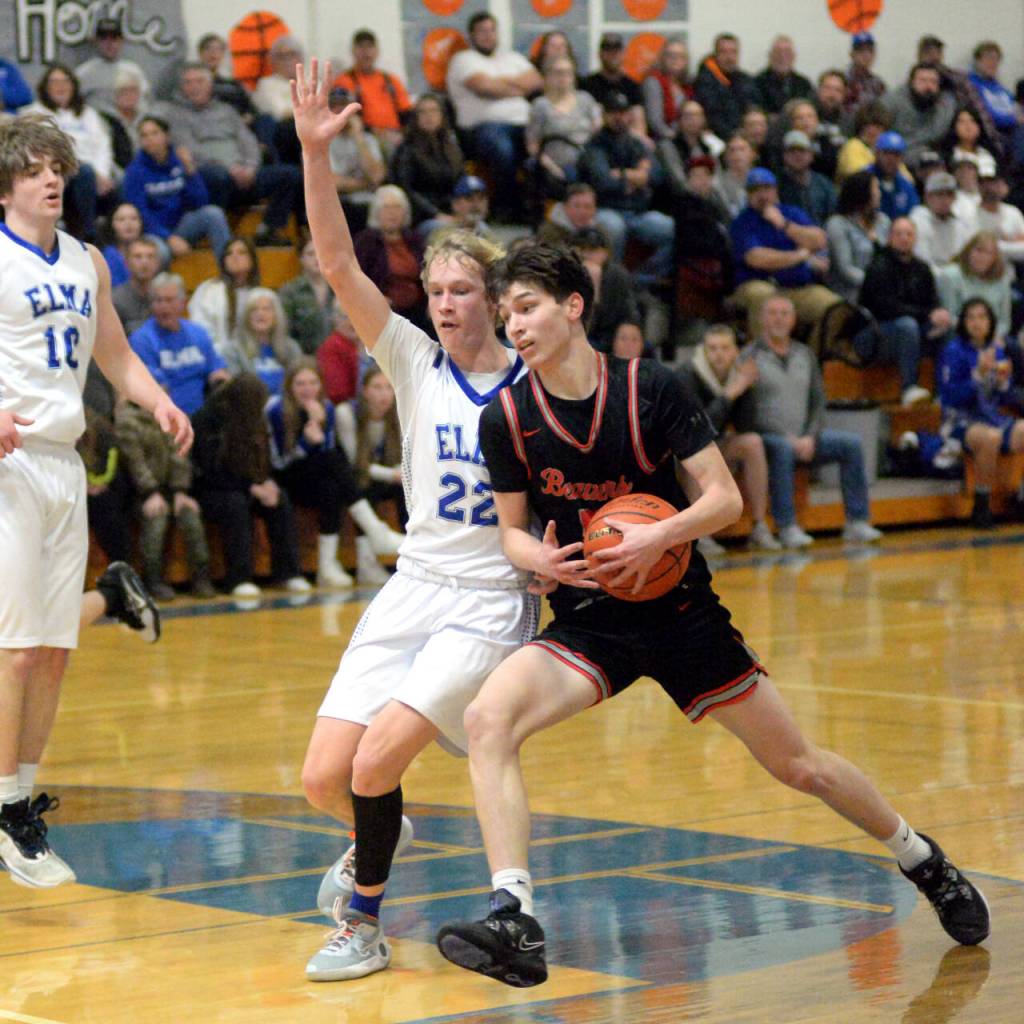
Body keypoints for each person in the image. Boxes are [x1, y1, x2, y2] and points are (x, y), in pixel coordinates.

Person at [433, 241, 988, 986]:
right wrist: (536, 559)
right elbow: (508, 529)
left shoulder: (650, 388)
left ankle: (920, 856)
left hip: (681, 611)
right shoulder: (506, 416)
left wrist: (655, 536)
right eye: (506, 317)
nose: (515, 327)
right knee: (486, 720)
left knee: (800, 766)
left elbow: (723, 499)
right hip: (593, 619)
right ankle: (514, 915)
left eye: (527, 308)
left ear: (573, 307)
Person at [291, 61, 535, 983]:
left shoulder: (531, 379)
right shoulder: (414, 359)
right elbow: (337, 262)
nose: (443, 303)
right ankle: (374, 828)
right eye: (434, 290)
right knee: (329, 777)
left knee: (380, 756)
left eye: (462, 290)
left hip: (486, 600)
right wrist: (318, 155)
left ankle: (364, 926)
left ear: (495, 299)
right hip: (415, 586)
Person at [0, 112, 191, 888]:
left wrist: (157, 399)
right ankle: (5, 804)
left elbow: (113, 352)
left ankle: (21, 800)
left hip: (64, 463)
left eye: (60, 169)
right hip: (9, 464)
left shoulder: (86, 260)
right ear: (10, 181)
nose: (53, 180)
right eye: (38, 169)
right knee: (14, 648)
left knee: (51, 648)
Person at [745, 295, 882, 548]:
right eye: (773, 313)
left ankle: (857, 521)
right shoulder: (749, 356)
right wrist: (786, 437)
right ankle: (786, 526)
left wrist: (809, 435)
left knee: (850, 444)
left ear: (794, 319)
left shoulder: (805, 354)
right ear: (762, 318)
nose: (779, 319)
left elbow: (818, 402)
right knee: (784, 449)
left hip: (805, 437)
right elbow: (744, 411)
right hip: (769, 438)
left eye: (785, 313)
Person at [267, 358, 401, 588]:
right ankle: (374, 530)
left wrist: (317, 430)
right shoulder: (277, 410)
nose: (307, 389)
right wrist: (306, 444)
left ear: (320, 385)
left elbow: (325, 452)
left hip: (317, 475)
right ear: (289, 386)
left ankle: (326, 568)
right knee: (335, 459)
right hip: (286, 477)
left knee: (332, 488)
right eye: (300, 384)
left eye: (312, 383)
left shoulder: (326, 407)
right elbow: (278, 462)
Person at [191, 373, 310, 597]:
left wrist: (267, 482)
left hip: (247, 484)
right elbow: (208, 472)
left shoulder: (255, 418)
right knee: (235, 505)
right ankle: (238, 578)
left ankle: (289, 573)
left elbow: (262, 458)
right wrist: (249, 487)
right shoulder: (207, 421)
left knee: (280, 499)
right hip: (212, 490)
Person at [167, 63, 303, 247]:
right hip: (210, 177)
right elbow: (189, 150)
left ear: (210, 85)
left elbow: (248, 142)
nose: (194, 87)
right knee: (216, 176)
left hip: (244, 174)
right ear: (182, 88)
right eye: (188, 82)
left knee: (290, 174)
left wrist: (250, 167)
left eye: (199, 81)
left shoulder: (227, 110)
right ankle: (220, 238)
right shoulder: (176, 116)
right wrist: (230, 168)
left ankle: (269, 230)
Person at [826, 173, 930, 406]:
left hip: (888, 298)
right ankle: (908, 387)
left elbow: (893, 260)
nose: (880, 194)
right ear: (862, 193)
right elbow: (844, 269)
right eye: (876, 190)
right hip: (854, 302)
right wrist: (877, 282)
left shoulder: (883, 222)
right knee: (906, 323)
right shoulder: (838, 224)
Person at [677, 324, 780, 550]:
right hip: (684, 447)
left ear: (735, 351)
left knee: (753, 443)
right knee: (696, 451)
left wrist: (744, 389)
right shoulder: (688, 374)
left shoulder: (740, 374)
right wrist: (730, 393)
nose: (719, 354)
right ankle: (699, 534)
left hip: (716, 443)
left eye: (725, 348)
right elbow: (698, 428)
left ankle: (759, 526)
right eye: (712, 348)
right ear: (704, 351)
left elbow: (747, 426)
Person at [729, 167, 841, 353]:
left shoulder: (791, 213)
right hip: (756, 284)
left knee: (835, 308)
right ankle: (766, 361)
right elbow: (757, 258)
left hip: (797, 287)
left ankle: (810, 361)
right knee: (765, 297)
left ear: (775, 191)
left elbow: (819, 240)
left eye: (766, 189)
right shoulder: (742, 222)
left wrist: (784, 225)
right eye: (756, 190)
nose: (762, 194)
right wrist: (800, 255)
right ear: (748, 194)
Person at [445, 12, 542, 223]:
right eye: (482, 31)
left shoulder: (513, 58)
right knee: (501, 148)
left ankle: (540, 210)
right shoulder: (463, 59)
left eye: (491, 30)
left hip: (525, 125)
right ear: (472, 35)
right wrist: (518, 86)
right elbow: (484, 87)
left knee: (548, 148)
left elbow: (535, 81)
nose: (488, 36)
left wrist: (500, 85)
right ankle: (508, 208)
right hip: (482, 129)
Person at [114, 398, 213, 600]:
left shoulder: (169, 417)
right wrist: (150, 492)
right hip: (139, 492)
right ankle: (154, 580)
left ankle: (201, 577)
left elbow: (179, 454)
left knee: (190, 517)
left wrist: (180, 490)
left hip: (170, 489)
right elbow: (135, 462)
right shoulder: (127, 422)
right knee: (157, 520)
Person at [938, 297, 1024, 528]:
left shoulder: (996, 350)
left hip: (990, 416)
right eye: (971, 317)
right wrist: (977, 375)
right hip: (959, 420)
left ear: (991, 322)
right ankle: (981, 504)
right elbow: (950, 397)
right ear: (963, 322)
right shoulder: (953, 351)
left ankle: (1019, 495)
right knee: (990, 438)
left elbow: (1003, 398)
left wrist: (1004, 382)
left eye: (982, 317)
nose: (976, 323)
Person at [578, 92, 675, 285]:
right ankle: (611, 283)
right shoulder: (595, 146)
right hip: (607, 208)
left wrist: (621, 175)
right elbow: (603, 181)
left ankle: (641, 278)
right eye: (613, 112)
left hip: (638, 211)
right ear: (604, 115)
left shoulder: (636, 143)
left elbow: (657, 176)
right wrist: (636, 175)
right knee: (613, 228)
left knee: (673, 229)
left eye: (623, 112)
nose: (619, 117)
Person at [25, 64, 117, 241]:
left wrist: (103, 174)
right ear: (45, 87)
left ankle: (113, 236)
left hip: (94, 171)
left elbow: (103, 145)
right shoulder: (34, 113)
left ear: (73, 86)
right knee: (85, 172)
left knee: (121, 181)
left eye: (65, 81)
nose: (60, 86)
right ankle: (88, 232)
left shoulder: (88, 114)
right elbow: (41, 150)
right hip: (57, 171)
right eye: (54, 82)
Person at [122, 115, 231, 262]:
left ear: (166, 136)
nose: (150, 139)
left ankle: (228, 271)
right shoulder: (134, 172)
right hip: (152, 233)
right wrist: (168, 237)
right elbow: (140, 214)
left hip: (181, 225)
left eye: (155, 133)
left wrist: (190, 171)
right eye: (144, 135)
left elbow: (200, 202)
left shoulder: (180, 161)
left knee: (213, 213)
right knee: (160, 252)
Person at [335, 366, 406, 583]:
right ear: (365, 391)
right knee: (365, 487)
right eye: (377, 387)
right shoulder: (346, 412)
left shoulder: (400, 413)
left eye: (388, 388)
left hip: (386, 474)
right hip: (352, 478)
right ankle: (368, 564)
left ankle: (413, 552)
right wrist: (394, 474)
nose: (384, 394)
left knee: (409, 489)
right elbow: (356, 464)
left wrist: (402, 474)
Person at [130, 273, 230, 416]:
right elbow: (155, 387)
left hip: (206, 415)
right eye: (158, 301)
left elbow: (216, 369)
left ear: (183, 302)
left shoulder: (198, 333)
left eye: (169, 300)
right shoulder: (142, 339)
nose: (164, 306)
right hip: (166, 415)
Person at [860, 217, 953, 359]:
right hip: (879, 329)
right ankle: (909, 381)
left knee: (947, 325)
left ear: (915, 239)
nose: (904, 238)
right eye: (899, 234)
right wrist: (927, 314)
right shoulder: (878, 267)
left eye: (909, 234)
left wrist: (938, 313)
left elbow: (932, 300)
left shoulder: (922, 268)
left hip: (917, 324)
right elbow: (888, 308)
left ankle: (946, 378)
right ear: (890, 238)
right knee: (907, 326)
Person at [389, 93, 465, 237]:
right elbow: (406, 190)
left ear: (442, 115)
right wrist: (436, 214)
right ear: (415, 117)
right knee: (446, 231)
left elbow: (461, 181)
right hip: (421, 217)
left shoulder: (452, 147)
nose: (428, 116)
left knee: (480, 228)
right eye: (422, 112)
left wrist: (463, 211)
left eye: (433, 111)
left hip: (451, 212)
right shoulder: (407, 149)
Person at [354, 186, 428, 332]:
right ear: (376, 212)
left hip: (417, 311)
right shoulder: (366, 242)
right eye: (387, 208)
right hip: (383, 311)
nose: (392, 213)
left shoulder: (415, 240)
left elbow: (427, 274)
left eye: (397, 207)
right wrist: (378, 300)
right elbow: (359, 278)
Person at [526, 56, 601, 198]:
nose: (563, 77)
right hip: (553, 164)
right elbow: (533, 144)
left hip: (586, 162)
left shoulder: (586, 100)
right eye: (558, 73)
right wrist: (551, 167)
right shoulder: (540, 105)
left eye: (568, 73)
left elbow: (597, 128)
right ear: (547, 76)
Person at [332, 29, 413, 159]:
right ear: (353, 51)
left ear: (377, 51)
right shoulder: (344, 81)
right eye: (361, 47)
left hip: (396, 134)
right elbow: (347, 119)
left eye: (370, 47)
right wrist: (379, 132)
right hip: (365, 136)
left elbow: (407, 114)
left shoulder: (391, 80)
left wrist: (405, 134)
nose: (366, 53)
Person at [187, 236, 260, 353]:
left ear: (252, 260)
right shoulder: (209, 290)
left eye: (242, 253)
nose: (235, 257)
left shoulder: (259, 294)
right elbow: (200, 330)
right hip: (216, 359)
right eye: (229, 254)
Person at [221, 288, 302, 393]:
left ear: (276, 315)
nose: (260, 314)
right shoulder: (232, 351)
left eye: (266, 309)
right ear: (246, 316)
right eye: (254, 310)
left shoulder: (291, 348)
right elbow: (237, 390)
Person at [328, 94, 386, 236]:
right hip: (340, 203)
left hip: (370, 200)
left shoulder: (368, 140)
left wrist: (358, 137)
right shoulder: (323, 141)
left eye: (344, 106)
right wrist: (366, 184)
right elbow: (332, 184)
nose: (340, 111)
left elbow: (377, 176)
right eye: (335, 107)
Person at [937, 232, 1013, 339]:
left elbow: (1004, 322)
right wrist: (977, 332)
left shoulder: (1002, 280)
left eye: (989, 253)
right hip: (959, 332)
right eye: (979, 250)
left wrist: (994, 336)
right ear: (968, 251)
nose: (983, 257)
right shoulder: (950, 275)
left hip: (992, 336)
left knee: (1012, 347)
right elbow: (948, 316)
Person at [74, 18, 151, 119]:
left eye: (114, 38)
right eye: (104, 38)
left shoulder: (133, 70)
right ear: (96, 41)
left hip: (128, 124)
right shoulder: (84, 72)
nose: (109, 43)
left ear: (122, 41)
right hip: (96, 126)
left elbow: (143, 103)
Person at [884, 64, 957, 165]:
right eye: (923, 81)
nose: (928, 86)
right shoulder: (891, 103)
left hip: (932, 158)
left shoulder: (945, 105)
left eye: (933, 82)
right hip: (896, 156)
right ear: (911, 83)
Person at [694, 32, 759, 140]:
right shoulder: (704, 82)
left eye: (733, 52)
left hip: (747, 138)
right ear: (715, 55)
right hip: (716, 137)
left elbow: (755, 107)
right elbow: (711, 115)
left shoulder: (747, 80)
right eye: (724, 52)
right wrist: (733, 135)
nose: (729, 57)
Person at [279, 237, 336, 355]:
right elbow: (284, 330)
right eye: (311, 254)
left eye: (321, 253)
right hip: (302, 357)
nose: (317, 258)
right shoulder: (290, 291)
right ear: (301, 258)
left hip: (336, 357)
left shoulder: (339, 289)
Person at [910, 171, 977, 271]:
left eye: (949, 195)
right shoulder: (918, 220)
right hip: (927, 277)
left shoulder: (961, 223)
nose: (945, 200)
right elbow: (922, 261)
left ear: (955, 198)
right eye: (939, 194)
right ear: (928, 197)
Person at [581, 33, 645, 137]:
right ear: (600, 54)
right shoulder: (586, 84)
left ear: (624, 54)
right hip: (595, 140)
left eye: (616, 51)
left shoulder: (632, 86)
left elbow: (639, 123)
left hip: (626, 140)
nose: (613, 55)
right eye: (608, 51)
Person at [777, 129, 836, 226]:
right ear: (784, 156)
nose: (797, 155)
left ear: (811, 155)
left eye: (801, 150)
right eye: (791, 151)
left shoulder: (824, 184)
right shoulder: (777, 185)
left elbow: (834, 217)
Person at [642, 36, 693, 142]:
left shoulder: (688, 85)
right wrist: (673, 137)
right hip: (662, 139)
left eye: (680, 56)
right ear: (662, 58)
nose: (676, 60)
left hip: (686, 138)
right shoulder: (653, 82)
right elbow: (655, 121)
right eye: (671, 56)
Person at [753, 35, 813, 116]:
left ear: (793, 56)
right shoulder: (757, 83)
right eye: (778, 52)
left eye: (787, 53)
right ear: (770, 55)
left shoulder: (804, 84)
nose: (782, 56)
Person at [112, 236, 160, 335]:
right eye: (138, 257)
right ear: (127, 263)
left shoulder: (165, 297)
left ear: (158, 263)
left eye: (150, 256)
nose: (145, 262)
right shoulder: (115, 300)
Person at [836, 102, 892, 183]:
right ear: (860, 127)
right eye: (868, 126)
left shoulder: (889, 152)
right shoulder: (852, 146)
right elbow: (859, 177)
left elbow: (908, 180)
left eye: (878, 127)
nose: (873, 131)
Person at [870, 130, 920, 220]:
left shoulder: (906, 186)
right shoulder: (864, 179)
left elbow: (914, 215)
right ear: (877, 154)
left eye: (896, 155)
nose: (891, 159)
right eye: (886, 153)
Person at [101, 201, 146, 287]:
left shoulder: (152, 250)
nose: (128, 224)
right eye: (121, 219)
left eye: (134, 218)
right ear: (111, 225)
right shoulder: (108, 256)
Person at [844, 32, 886, 118]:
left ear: (874, 55)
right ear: (852, 54)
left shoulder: (878, 84)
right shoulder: (843, 80)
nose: (866, 55)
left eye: (870, 51)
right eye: (860, 51)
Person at [714, 132, 755, 219]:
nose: (737, 154)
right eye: (732, 150)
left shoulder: (762, 180)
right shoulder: (717, 184)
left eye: (742, 149)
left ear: (752, 154)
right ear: (725, 156)